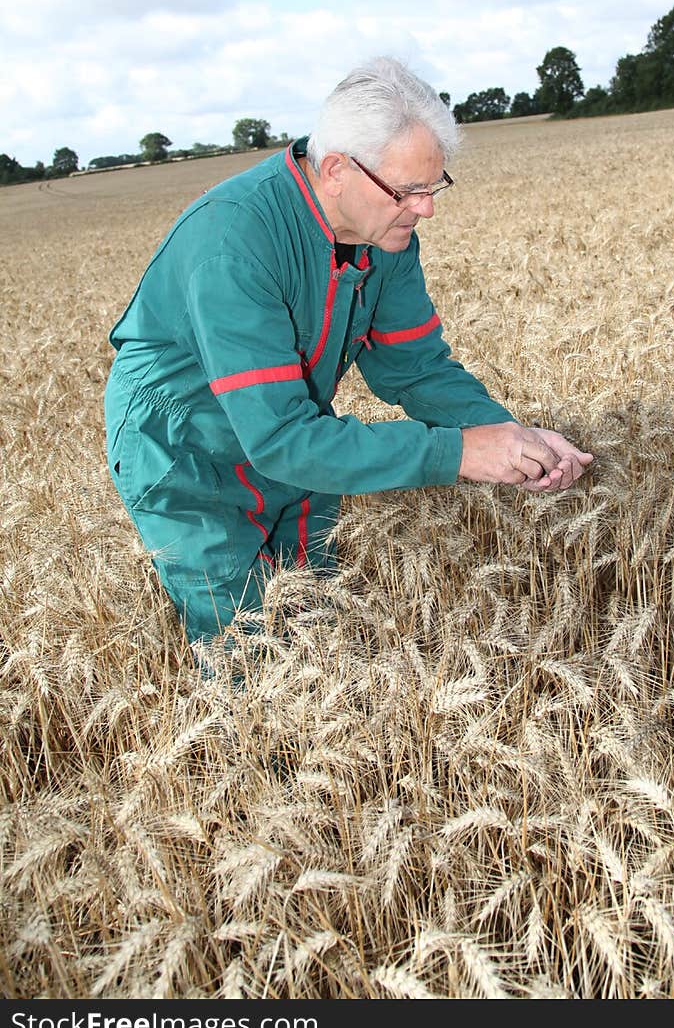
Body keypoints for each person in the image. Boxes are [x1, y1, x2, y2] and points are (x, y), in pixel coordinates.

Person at [104, 57, 593, 648]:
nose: (427, 208)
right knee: (248, 640)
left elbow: (415, 367)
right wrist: (459, 451)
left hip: (296, 433)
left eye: (434, 187)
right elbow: (281, 440)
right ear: (336, 169)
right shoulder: (232, 244)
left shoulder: (383, 231)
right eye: (409, 190)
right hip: (184, 450)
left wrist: (513, 437)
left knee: (315, 611)